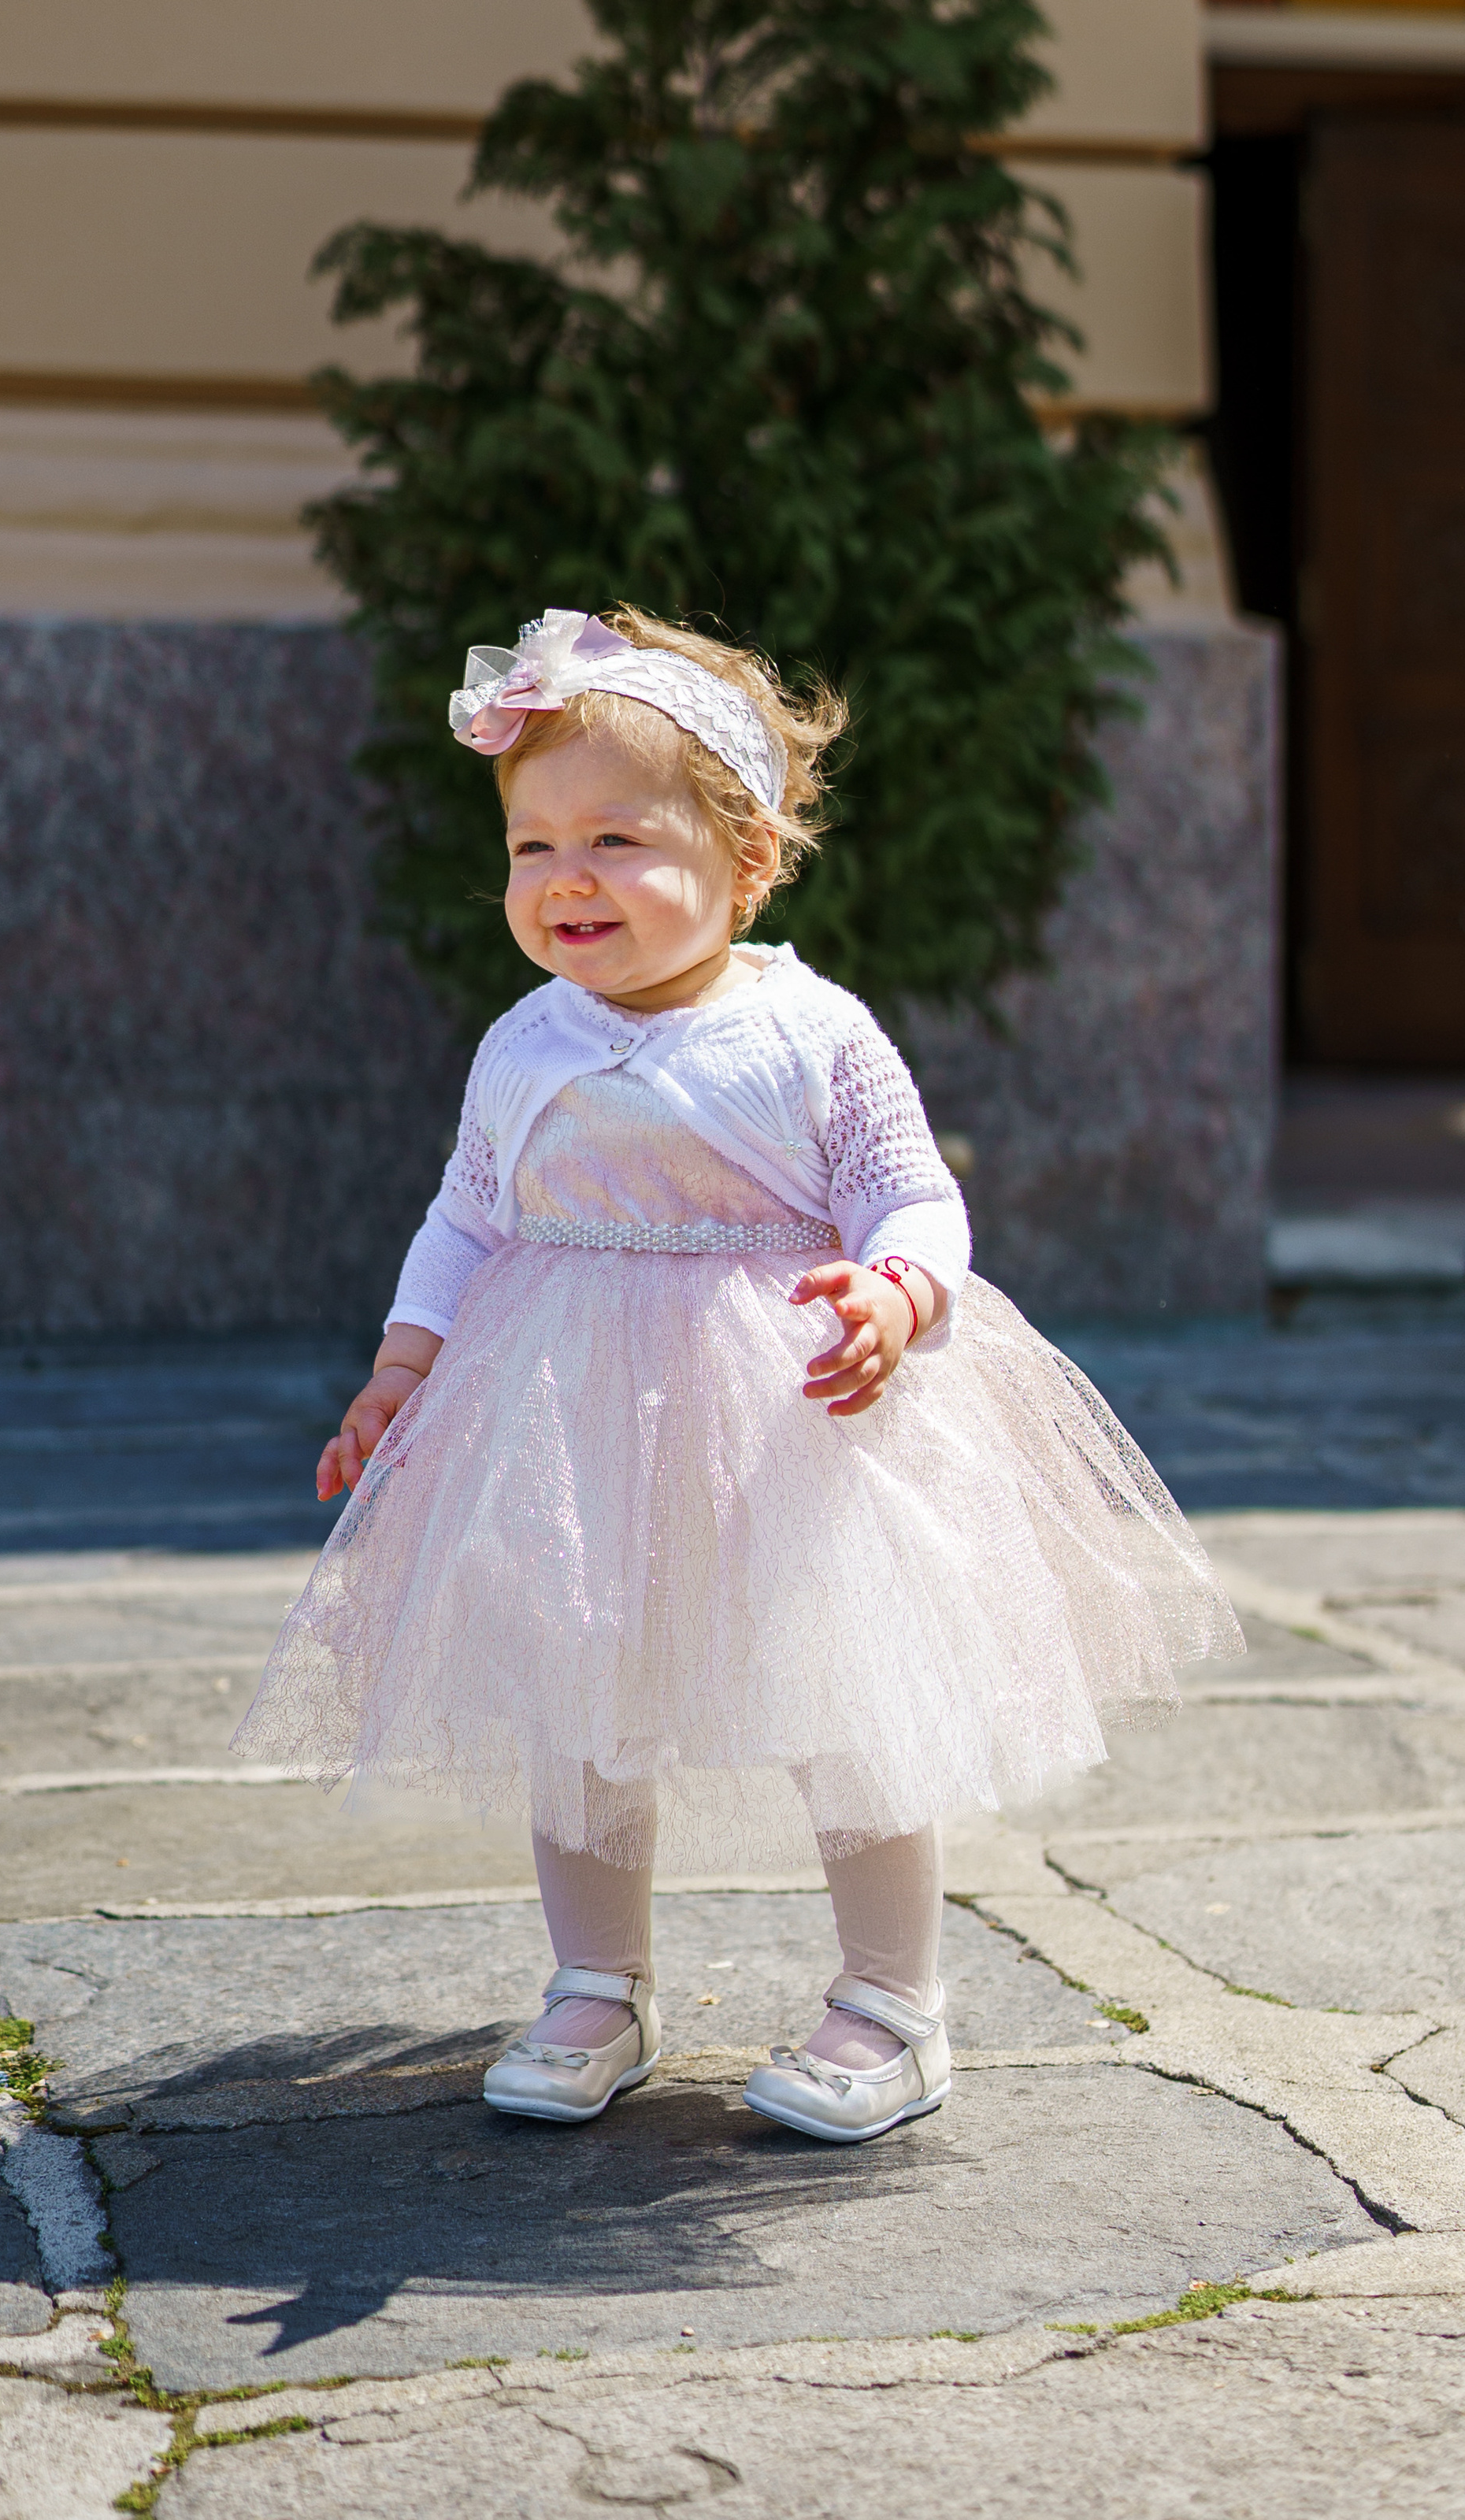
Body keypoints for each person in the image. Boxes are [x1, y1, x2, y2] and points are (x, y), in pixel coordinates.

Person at [232, 606, 1240, 2143]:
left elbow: (915, 1197)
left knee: (846, 1694)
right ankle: (595, 1980)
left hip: (783, 1425)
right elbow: (464, 1219)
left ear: (748, 860)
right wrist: (400, 1363)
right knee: (575, 1692)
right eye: (529, 847)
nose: (566, 877)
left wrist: (896, 1290)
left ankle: (890, 2000)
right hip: (567, 1427)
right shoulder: (522, 1044)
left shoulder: (805, 1032)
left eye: (617, 840)